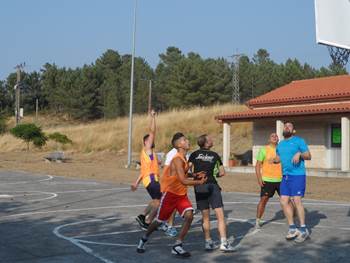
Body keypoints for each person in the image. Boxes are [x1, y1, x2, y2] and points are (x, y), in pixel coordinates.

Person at [136, 132, 207, 258]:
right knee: (158, 221)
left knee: (189, 215)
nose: (188, 141)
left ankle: (177, 245)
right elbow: (183, 180)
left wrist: (195, 175)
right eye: (185, 140)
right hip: (170, 195)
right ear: (179, 145)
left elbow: (184, 174)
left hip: (181, 195)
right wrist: (199, 182)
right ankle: (144, 238)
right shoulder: (177, 159)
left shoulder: (184, 158)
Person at [188, 134, 235, 252]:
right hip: (212, 185)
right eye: (210, 139)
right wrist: (214, 175)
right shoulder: (214, 155)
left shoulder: (194, 154)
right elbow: (222, 172)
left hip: (199, 186)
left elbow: (187, 170)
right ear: (206, 143)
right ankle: (224, 243)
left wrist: (195, 175)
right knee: (220, 215)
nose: (212, 140)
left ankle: (208, 242)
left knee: (205, 217)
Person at [274, 121, 311, 243]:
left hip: (297, 175)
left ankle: (304, 229)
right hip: (285, 176)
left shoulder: (299, 141)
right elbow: (280, 157)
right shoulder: (280, 144)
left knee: (297, 200)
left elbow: (308, 155)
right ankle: (292, 228)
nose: (286, 127)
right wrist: (274, 160)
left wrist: (300, 153)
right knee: (283, 201)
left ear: (293, 130)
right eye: (285, 126)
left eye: (289, 126)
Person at [131, 110, 161, 230]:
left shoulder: (147, 153)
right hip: (152, 179)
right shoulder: (147, 149)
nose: (152, 140)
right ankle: (148, 222)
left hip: (148, 180)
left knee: (155, 200)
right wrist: (153, 117)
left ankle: (142, 216)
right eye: (150, 139)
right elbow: (152, 131)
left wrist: (136, 183)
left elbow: (143, 171)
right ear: (146, 142)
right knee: (160, 202)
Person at [255, 133, 282, 229]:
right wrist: (259, 178)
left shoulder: (282, 149)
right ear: (269, 139)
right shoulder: (264, 149)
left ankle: (294, 220)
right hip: (267, 180)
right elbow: (258, 165)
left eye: (276, 136)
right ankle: (258, 221)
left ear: (278, 139)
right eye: (272, 136)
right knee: (263, 200)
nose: (275, 137)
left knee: (287, 200)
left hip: (281, 180)